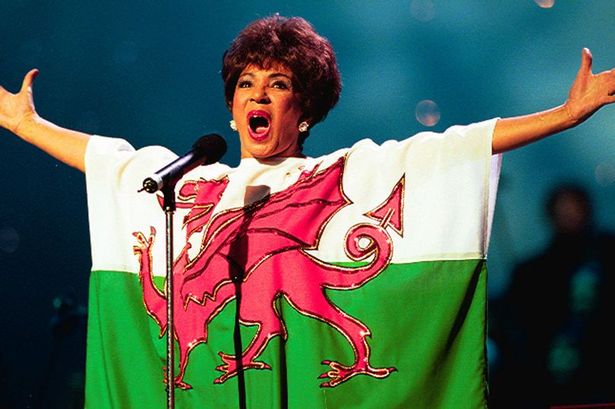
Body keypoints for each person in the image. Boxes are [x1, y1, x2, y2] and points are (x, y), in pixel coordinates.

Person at [1, 14, 614, 409]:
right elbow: (108, 159)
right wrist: (25, 124)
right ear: (233, 106)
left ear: (307, 108)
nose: (258, 95)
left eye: (277, 83)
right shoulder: (187, 182)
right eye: (245, 84)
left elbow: (456, 145)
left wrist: (563, 115)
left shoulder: (341, 173)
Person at [492, 184, 615, 408]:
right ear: (551, 215)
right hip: (551, 385)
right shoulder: (532, 272)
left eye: (575, 207)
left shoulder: (607, 256)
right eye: (563, 209)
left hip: (602, 377)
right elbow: (515, 326)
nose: (569, 214)